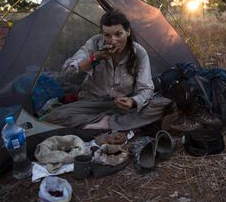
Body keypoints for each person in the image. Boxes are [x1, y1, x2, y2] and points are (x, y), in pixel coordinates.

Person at [44, 11, 172, 130]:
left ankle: (99, 125)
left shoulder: (138, 52)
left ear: (128, 32)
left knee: (163, 105)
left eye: (118, 34)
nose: (113, 40)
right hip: (92, 103)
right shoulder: (94, 44)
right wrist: (95, 57)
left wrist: (133, 101)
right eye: (107, 35)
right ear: (102, 34)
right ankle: (111, 124)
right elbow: (67, 71)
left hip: (121, 106)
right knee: (54, 116)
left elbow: (146, 89)